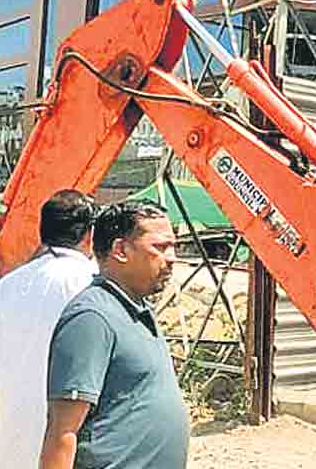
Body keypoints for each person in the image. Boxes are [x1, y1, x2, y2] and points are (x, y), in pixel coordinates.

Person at [40, 201, 185, 469]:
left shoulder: (135, 310)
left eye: (173, 247)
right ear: (120, 250)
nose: (172, 257)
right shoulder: (92, 318)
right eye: (160, 247)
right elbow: (62, 431)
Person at [0, 189, 99, 469]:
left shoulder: (6, 287)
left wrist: (20, 387)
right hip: (73, 453)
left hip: (12, 453)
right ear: (90, 236)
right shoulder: (95, 287)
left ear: (42, 231)